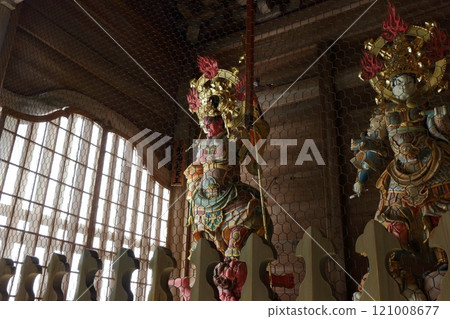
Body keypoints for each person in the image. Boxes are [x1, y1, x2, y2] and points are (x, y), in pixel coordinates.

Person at [352, 2, 450, 268]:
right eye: (396, 83)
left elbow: (441, 133)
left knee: (441, 213)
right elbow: (374, 147)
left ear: (418, 81)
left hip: (433, 165)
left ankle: (444, 259)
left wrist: (440, 116)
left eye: (408, 80)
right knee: (391, 220)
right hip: (399, 175)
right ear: (388, 86)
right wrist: (361, 178)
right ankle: (396, 266)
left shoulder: (427, 106)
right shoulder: (383, 115)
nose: (402, 86)